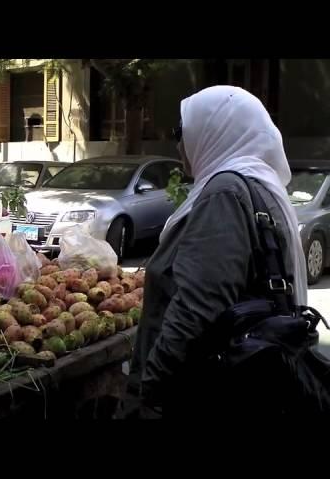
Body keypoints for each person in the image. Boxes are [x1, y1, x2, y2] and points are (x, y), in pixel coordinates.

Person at [127, 85, 308, 418]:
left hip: (200, 393)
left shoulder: (225, 192)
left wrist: (148, 391)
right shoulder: (257, 185)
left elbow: (196, 308)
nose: (179, 143)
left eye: (181, 131)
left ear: (217, 129)